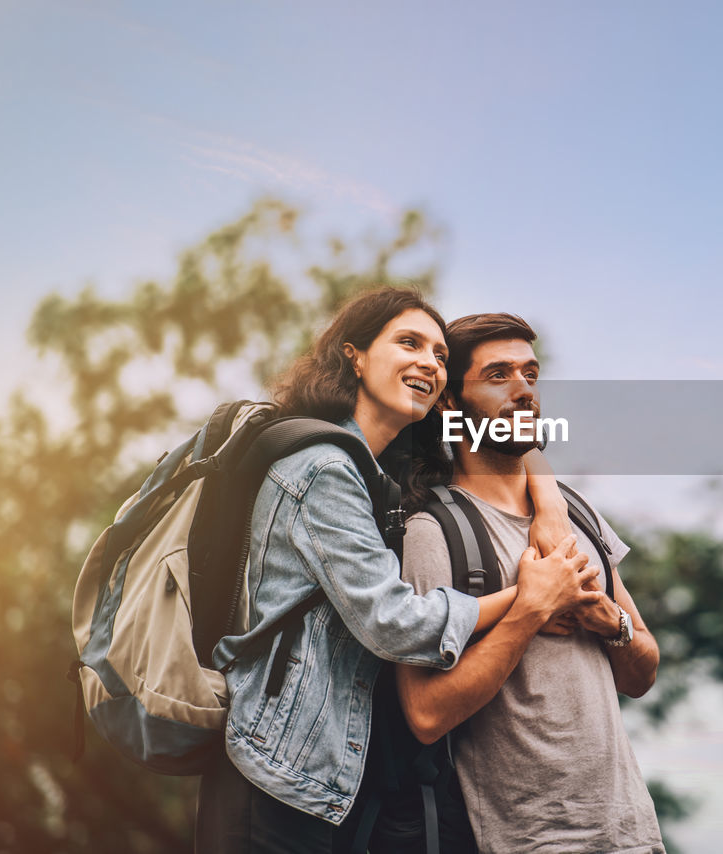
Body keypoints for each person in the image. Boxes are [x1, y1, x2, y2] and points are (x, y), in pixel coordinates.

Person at [194, 288, 597, 854]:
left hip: (325, 779)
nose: (428, 363)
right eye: (408, 343)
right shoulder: (323, 469)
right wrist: (530, 599)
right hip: (275, 774)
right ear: (354, 355)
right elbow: (394, 623)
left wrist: (549, 498)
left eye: (438, 355)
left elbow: (510, 431)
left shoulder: (379, 471)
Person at [396, 312, 664, 854]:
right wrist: (532, 610)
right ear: (450, 404)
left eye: (531, 375)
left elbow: (644, 671)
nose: (524, 391)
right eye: (498, 376)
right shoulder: (433, 533)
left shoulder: (575, 514)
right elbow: (424, 715)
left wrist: (607, 623)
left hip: (632, 832)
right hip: (525, 840)